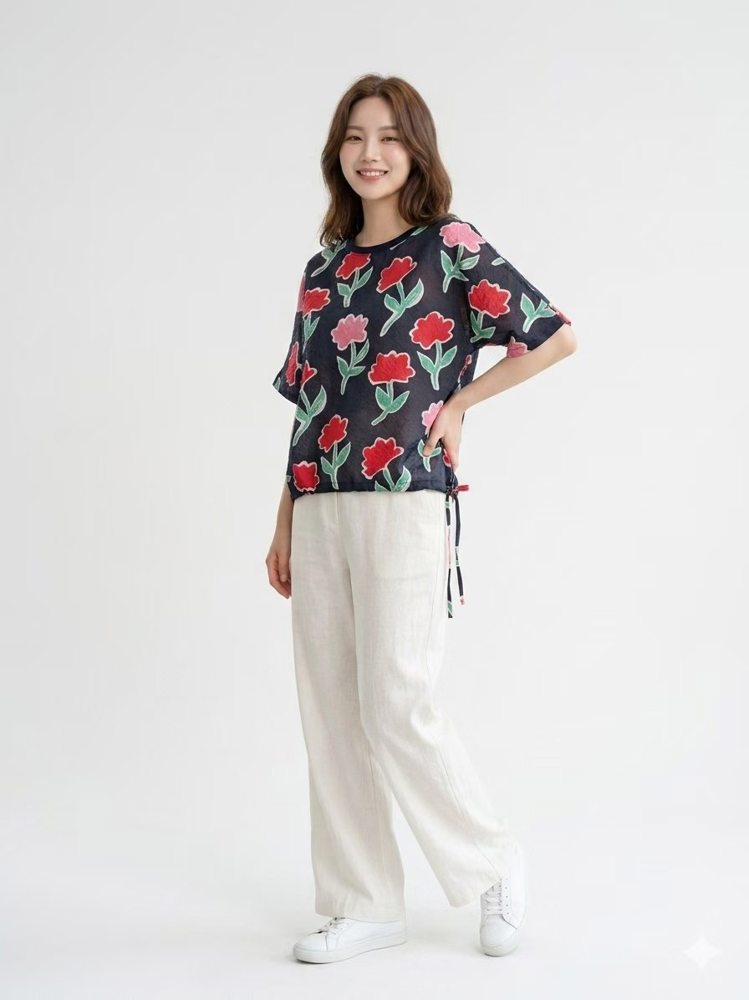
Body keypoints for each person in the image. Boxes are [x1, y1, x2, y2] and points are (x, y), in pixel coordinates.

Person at [265, 73, 577, 963]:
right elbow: (309, 402)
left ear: (416, 150)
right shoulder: (323, 271)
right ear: (337, 152)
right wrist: (284, 518)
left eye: (389, 137)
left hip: (405, 495)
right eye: (354, 137)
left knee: (396, 697)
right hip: (319, 502)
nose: (370, 153)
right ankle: (362, 901)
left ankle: (491, 863)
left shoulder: (449, 246)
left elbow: (553, 336)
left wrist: (459, 403)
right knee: (331, 707)